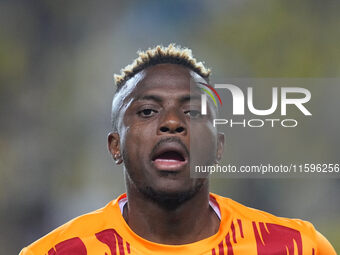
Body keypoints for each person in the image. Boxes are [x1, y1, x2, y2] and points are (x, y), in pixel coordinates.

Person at [20, 44, 336, 255]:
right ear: (115, 147)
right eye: (147, 111)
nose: (172, 122)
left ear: (217, 147)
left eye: (193, 113)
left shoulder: (296, 246)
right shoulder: (58, 251)